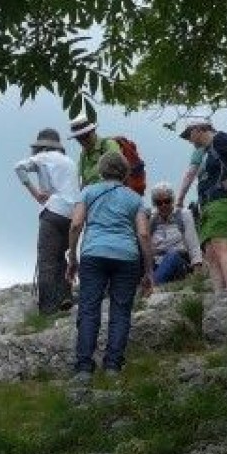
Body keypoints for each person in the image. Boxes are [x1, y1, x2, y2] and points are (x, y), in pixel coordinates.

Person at [65, 149, 154, 381]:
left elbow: (75, 226)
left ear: (101, 171)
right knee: (121, 311)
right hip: (127, 257)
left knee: (88, 309)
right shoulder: (135, 199)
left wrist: (72, 258)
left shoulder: (88, 192)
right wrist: (148, 271)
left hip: (93, 254)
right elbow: (143, 234)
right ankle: (113, 365)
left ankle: (84, 367)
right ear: (125, 173)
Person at [174, 117, 227, 296]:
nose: (188, 139)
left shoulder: (219, 139)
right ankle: (220, 294)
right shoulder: (208, 149)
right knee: (210, 252)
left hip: (224, 201)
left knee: (221, 245)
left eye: (189, 134)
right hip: (212, 203)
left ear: (199, 129)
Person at [14, 126, 79, 315]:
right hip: (73, 215)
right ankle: (65, 296)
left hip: (52, 211)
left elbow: (18, 167)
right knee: (61, 257)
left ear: (42, 147)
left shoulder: (44, 157)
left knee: (47, 260)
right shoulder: (70, 162)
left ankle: (48, 308)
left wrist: (35, 193)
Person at [147, 183, 203, 284]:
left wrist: (197, 270)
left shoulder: (183, 215)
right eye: (159, 203)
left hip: (179, 261)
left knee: (172, 255)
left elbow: (193, 243)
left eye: (167, 201)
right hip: (157, 262)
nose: (163, 205)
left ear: (172, 200)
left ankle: (153, 285)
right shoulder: (152, 220)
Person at [69, 115, 125, 187]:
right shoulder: (83, 155)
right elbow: (83, 181)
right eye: (79, 138)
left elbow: (118, 174)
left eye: (86, 136)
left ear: (93, 131)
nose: (83, 141)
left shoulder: (109, 145)